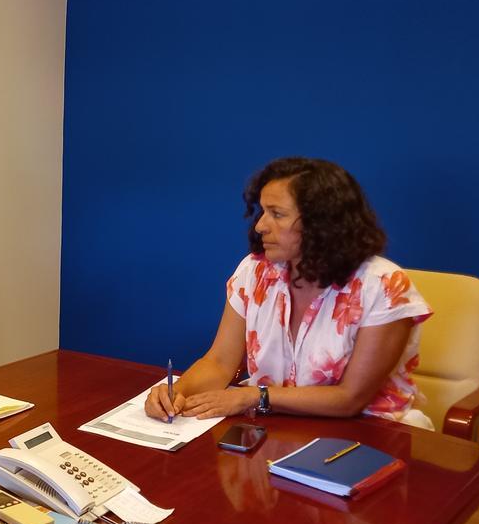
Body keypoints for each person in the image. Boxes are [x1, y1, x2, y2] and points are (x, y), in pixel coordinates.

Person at [144, 158, 434, 428]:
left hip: (367, 430)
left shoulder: (382, 286)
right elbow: (219, 362)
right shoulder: (254, 272)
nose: (259, 226)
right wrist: (174, 392)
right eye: (262, 211)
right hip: (271, 423)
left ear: (322, 222)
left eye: (277, 214)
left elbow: (350, 398)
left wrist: (254, 396)